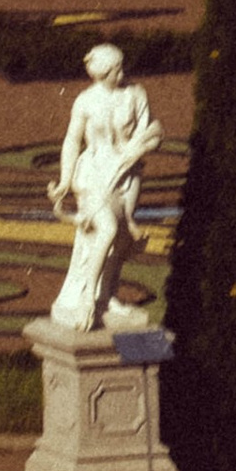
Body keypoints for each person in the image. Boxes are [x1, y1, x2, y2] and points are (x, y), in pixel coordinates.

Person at [47, 44, 163, 332]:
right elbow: (72, 141)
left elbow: (148, 132)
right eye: (116, 70)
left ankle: (105, 297)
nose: (122, 73)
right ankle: (87, 297)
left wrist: (144, 145)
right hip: (93, 174)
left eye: (122, 67)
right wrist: (65, 179)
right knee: (107, 229)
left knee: (120, 240)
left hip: (127, 176)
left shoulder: (135, 94)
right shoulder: (85, 101)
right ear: (102, 74)